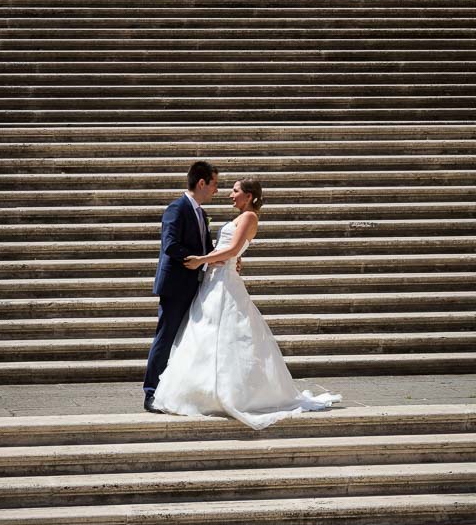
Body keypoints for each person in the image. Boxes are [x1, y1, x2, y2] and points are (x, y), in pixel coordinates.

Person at [153, 178, 341, 430]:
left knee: (228, 336)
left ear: (250, 196)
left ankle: (230, 393)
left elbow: (232, 250)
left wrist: (201, 259)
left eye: (235, 191)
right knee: (205, 335)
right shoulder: (240, 217)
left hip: (225, 282)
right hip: (214, 280)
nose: (230, 195)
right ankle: (202, 390)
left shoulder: (250, 217)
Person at [143, 161, 219, 413]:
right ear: (201, 183)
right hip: (176, 285)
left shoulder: (200, 213)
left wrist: (221, 260)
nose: (216, 191)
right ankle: (151, 392)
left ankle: (176, 390)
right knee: (165, 338)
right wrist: (196, 260)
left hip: (195, 285)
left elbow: (205, 249)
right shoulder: (176, 209)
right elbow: (171, 245)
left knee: (186, 340)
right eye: (214, 184)